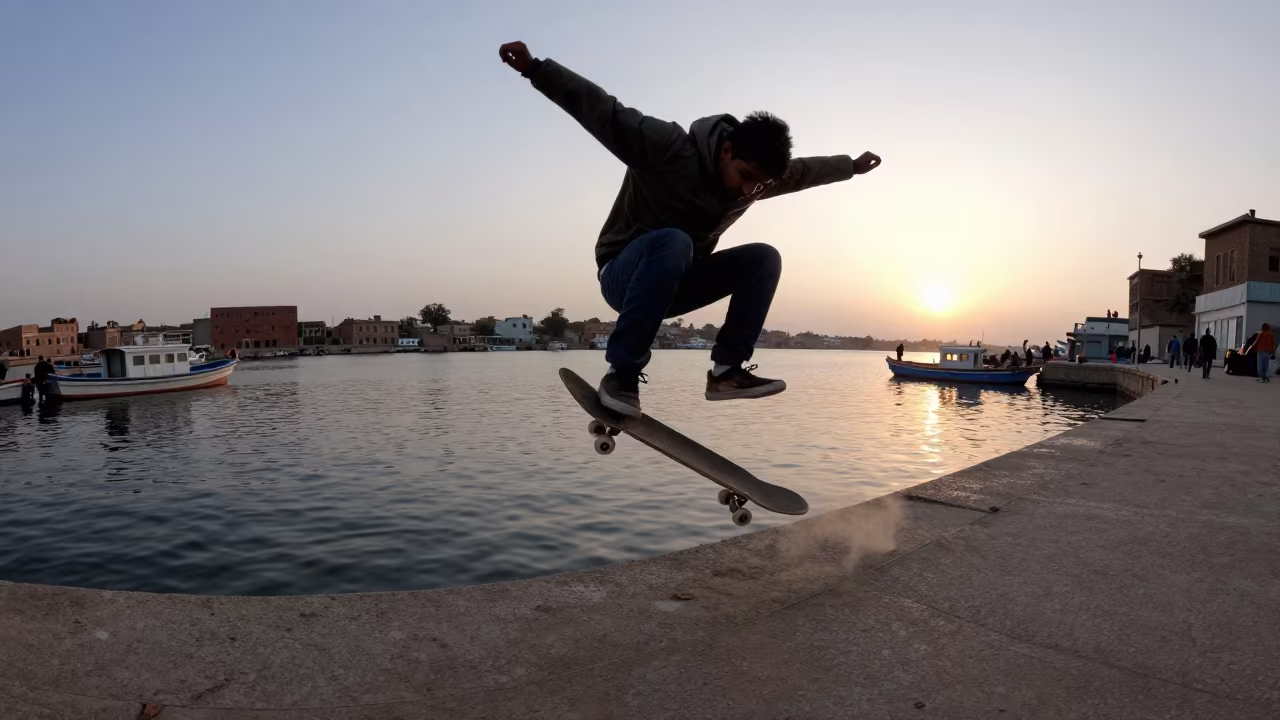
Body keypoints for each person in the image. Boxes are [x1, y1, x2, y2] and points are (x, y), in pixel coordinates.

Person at [499, 41, 882, 417]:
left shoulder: (757, 180)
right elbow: (603, 112)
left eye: (760, 186)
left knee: (764, 258)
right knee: (674, 241)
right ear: (728, 150)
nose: (749, 191)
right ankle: (622, 375)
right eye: (746, 177)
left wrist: (850, 166)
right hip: (623, 274)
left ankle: (726, 373)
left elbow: (802, 172)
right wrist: (536, 69)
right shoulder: (666, 147)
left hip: (680, 281)